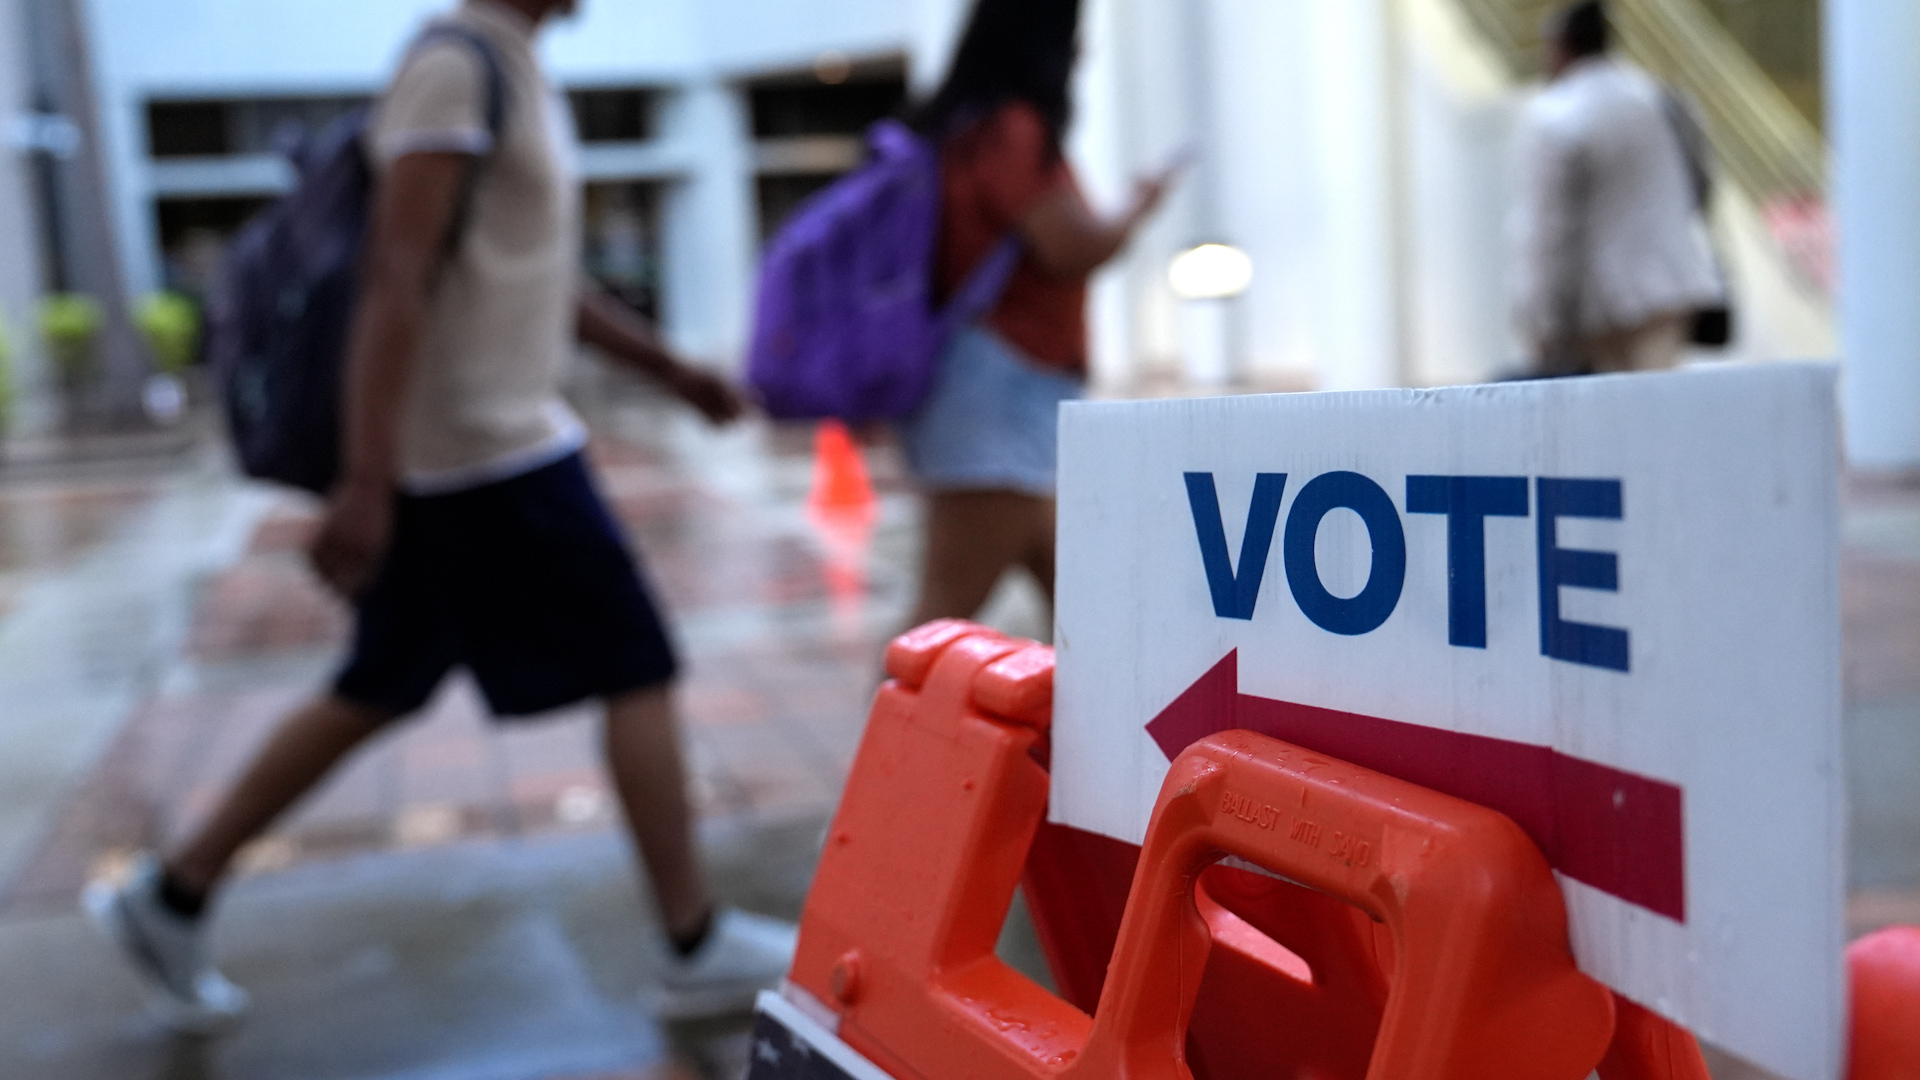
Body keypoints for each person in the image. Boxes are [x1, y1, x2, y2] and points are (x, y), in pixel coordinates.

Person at [85, 0, 793, 1031]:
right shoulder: (455, 68)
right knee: (637, 662)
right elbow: (395, 272)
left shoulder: (510, 63)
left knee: (383, 681)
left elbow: (531, 275)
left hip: (470, 449)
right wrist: (366, 481)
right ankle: (691, 940)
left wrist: (671, 370)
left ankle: (173, 892)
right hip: (481, 451)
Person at [898, 0, 1174, 628]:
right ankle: (883, 729)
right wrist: (1139, 204)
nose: (1083, 53)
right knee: (943, 611)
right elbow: (1070, 248)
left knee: (1084, 602)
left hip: (1005, 387)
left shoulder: (967, 128)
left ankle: (1095, 725)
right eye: (1075, 35)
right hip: (999, 390)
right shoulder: (1008, 131)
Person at [1509, 0, 1724, 376]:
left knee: (1608, 421)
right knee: (1660, 409)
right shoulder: (1659, 99)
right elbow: (1701, 184)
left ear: (1561, 47)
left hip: (1602, 304)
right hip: (1669, 290)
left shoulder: (1554, 115)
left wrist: (1541, 318)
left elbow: (1548, 230)